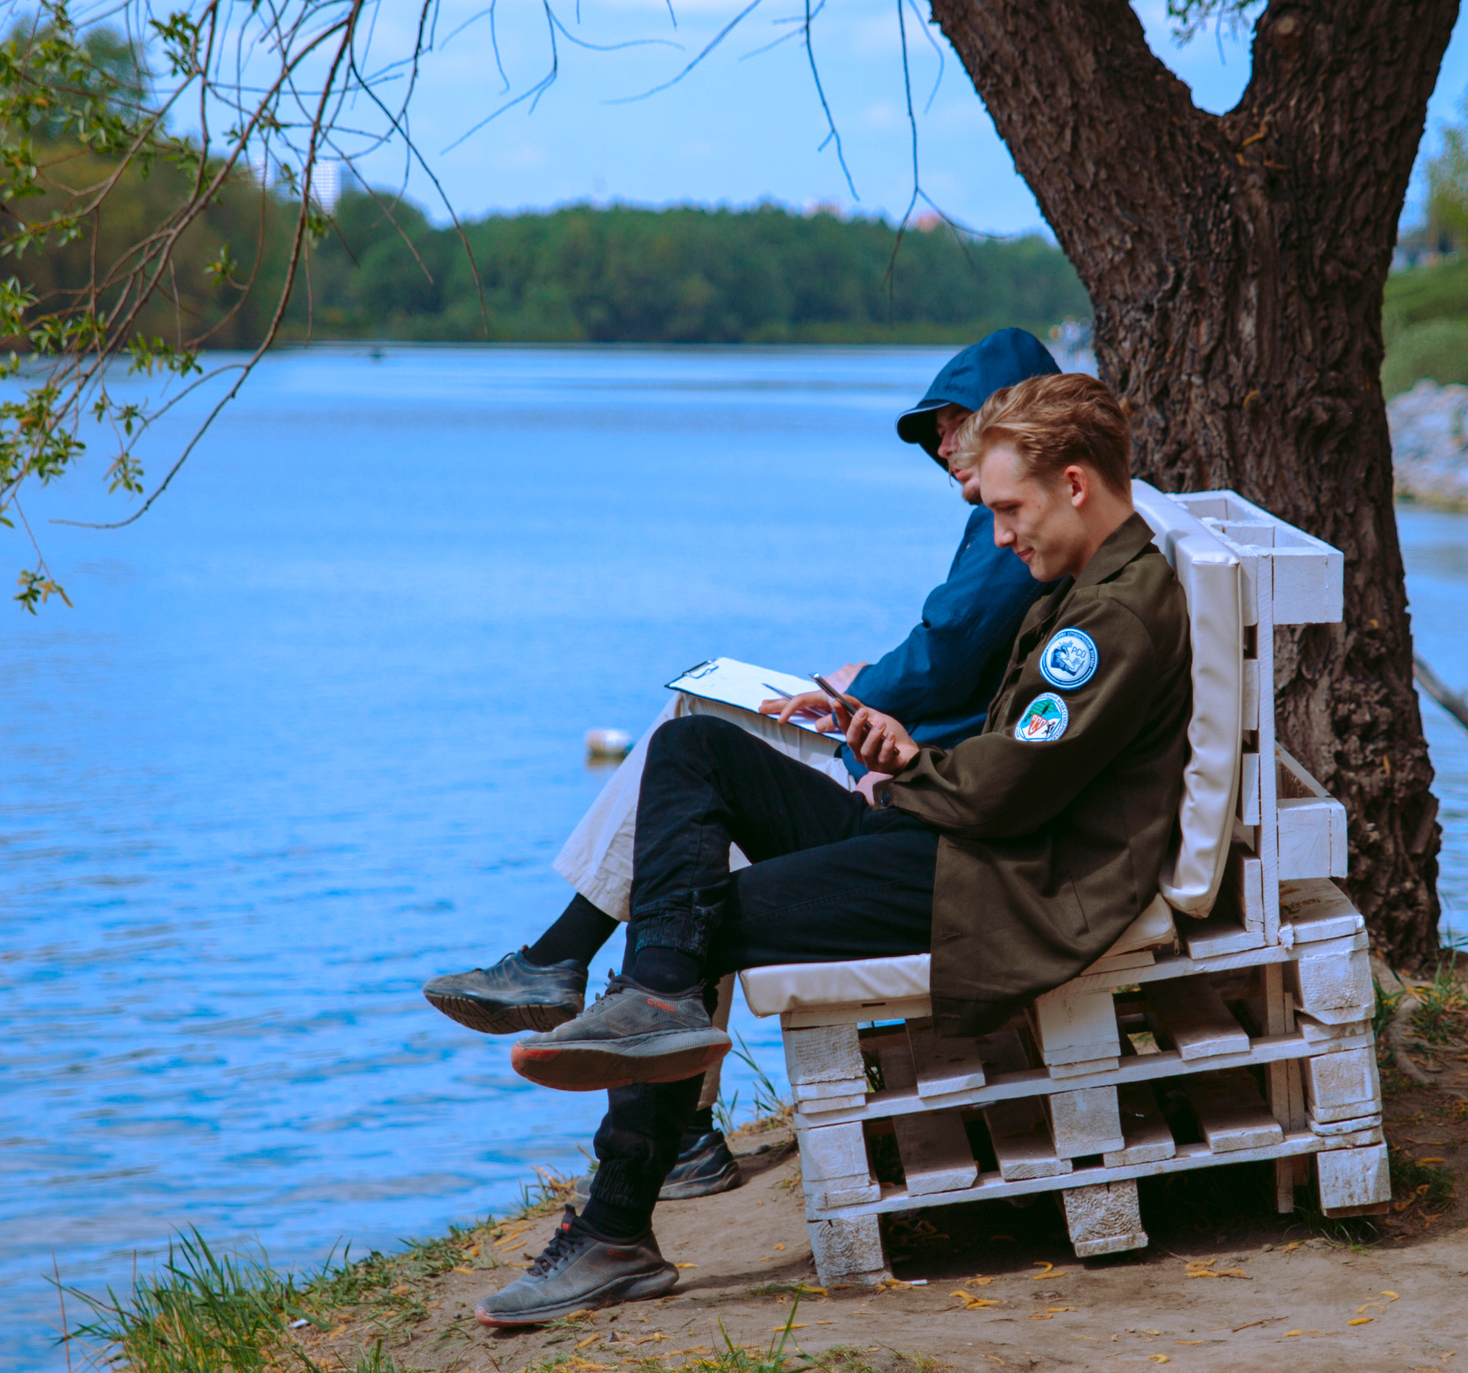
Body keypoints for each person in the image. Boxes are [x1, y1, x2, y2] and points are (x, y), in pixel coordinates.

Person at [474, 373, 1193, 1325]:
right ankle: (656, 1002)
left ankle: (614, 1224)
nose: (1001, 535)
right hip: (962, 839)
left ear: (1073, 483)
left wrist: (906, 775)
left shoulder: (1112, 614)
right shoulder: (1085, 585)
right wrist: (906, 752)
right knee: (694, 748)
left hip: (999, 883)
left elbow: (1014, 787)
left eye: (1009, 509)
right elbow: (1020, 762)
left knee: (694, 923)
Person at [422, 327, 1054, 1200]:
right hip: (911, 759)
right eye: (936, 429)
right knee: (690, 787)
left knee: (693, 775)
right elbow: (960, 654)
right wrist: (866, 692)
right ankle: (637, 1077)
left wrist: (861, 697)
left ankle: (577, 984)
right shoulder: (1019, 522)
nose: (941, 443)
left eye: (954, 422)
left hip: (914, 781)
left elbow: (948, 655)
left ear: (1014, 420)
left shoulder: (1018, 528)